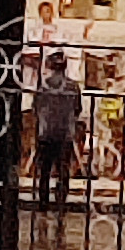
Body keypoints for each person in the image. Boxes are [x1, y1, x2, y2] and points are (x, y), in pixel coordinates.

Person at [30, 47, 83, 221]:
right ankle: (61, 203)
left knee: (44, 170)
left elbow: (35, 108)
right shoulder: (73, 87)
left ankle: (43, 203)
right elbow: (77, 109)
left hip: (46, 132)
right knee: (63, 169)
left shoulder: (44, 85)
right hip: (65, 132)